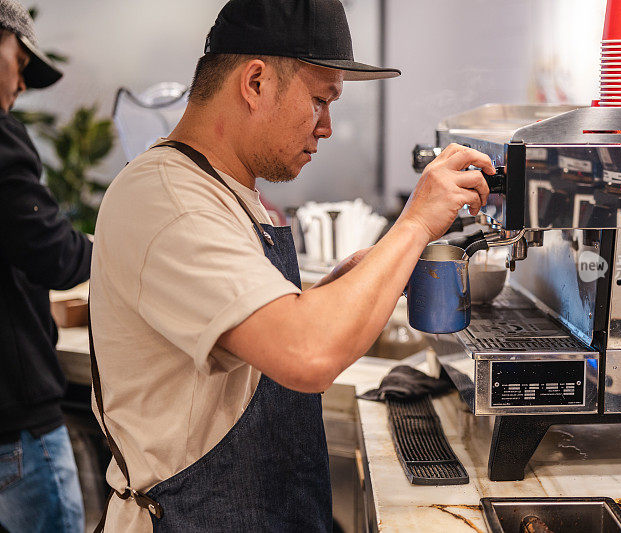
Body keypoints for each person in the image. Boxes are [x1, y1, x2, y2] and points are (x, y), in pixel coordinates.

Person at [89, 0, 492, 531]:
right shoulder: (167, 196)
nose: (326, 126)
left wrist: (335, 291)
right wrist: (414, 224)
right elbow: (305, 353)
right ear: (254, 82)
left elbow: (249, 350)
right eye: (319, 100)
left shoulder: (227, 190)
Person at [0, 1, 90, 532]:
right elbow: (52, 253)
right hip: (16, 430)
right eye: (20, 63)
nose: (22, 87)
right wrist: (108, 249)